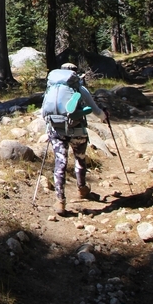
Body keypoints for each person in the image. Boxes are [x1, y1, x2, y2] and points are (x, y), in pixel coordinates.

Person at [44, 62, 108, 215]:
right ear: (75, 73)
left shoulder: (51, 87)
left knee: (60, 163)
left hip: (57, 131)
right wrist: (104, 116)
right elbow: (95, 110)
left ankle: (60, 201)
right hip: (77, 130)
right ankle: (82, 188)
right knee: (80, 159)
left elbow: (43, 112)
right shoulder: (79, 87)